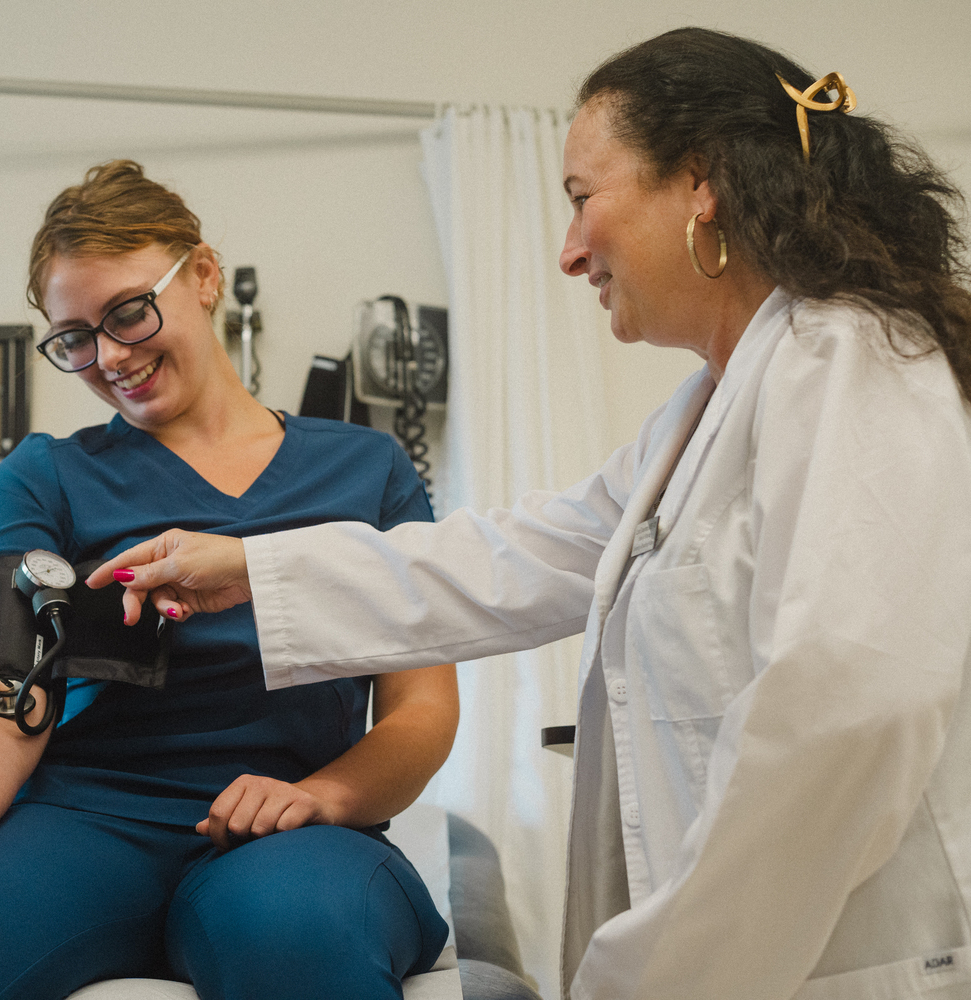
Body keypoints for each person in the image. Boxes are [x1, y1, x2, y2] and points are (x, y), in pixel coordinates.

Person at [90, 28, 971, 1000]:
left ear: (702, 183)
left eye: (582, 198)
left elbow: (847, 701)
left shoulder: (848, 356)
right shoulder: (701, 413)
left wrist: (656, 973)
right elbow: (515, 556)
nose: (566, 251)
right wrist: (252, 572)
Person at [0, 160, 458, 1000]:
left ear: (202, 275)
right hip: (83, 820)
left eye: (129, 312)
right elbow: (6, 697)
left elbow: (423, 709)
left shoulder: (366, 470)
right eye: (76, 338)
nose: (111, 355)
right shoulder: (44, 476)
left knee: (296, 937)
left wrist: (321, 798)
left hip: (289, 828)